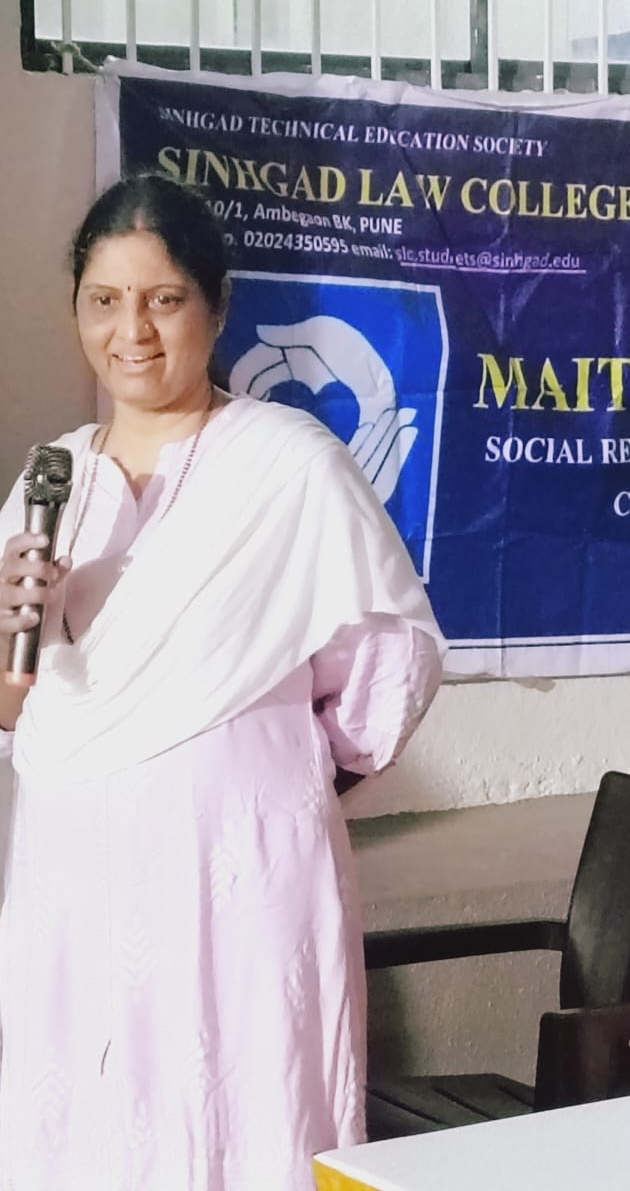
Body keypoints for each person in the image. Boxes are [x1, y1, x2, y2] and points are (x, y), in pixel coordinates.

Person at [0, 173, 444, 1190]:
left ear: (217, 305)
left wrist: (272, 773)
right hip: (71, 873)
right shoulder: (48, 478)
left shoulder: (290, 465)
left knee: (242, 1112)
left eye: (164, 299)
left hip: (238, 867)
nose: (133, 332)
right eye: (105, 300)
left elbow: (388, 662)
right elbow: (10, 707)